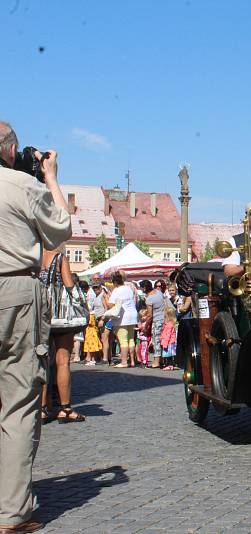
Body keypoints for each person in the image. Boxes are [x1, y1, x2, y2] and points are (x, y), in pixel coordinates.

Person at [0, 121, 71, 533]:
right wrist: (49, 177)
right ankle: (11, 513)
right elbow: (59, 228)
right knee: (19, 401)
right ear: (9, 151)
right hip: (13, 289)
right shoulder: (19, 185)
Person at [39, 249, 87, 425]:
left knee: (42, 360)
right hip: (61, 316)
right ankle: (65, 409)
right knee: (63, 361)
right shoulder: (59, 258)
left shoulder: (33, 255)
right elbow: (69, 286)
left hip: (40, 315)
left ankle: (42, 409)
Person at [109, 271, 139, 368]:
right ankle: (132, 361)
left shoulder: (116, 290)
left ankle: (124, 362)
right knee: (131, 339)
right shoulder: (128, 288)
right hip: (132, 315)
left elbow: (111, 304)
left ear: (114, 282)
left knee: (123, 340)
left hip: (122, 317)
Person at [142, 280, 166, 369]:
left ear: (144, 288)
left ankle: (156, 362)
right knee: (162, 341)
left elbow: (149, 315)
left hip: (157, 321)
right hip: (164, 319)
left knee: (156, 341)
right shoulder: (159, 292)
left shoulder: (149, 299)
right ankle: (162, 360)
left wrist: (146, 326)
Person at [160, 306, 178, 371]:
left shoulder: (169, 325)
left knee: (167, 355)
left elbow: (167, 335)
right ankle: (171, 365)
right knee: (170, 355)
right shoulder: (171, 323)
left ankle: (168, 365)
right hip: (171, 342)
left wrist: (165, 343)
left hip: (168, 343)